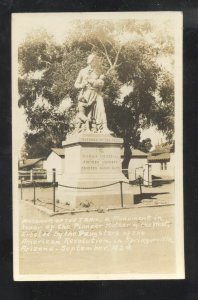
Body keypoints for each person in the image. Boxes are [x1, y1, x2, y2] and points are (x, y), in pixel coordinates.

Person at [74, 53, 112, 134]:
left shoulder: (98, 72)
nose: (95, 62)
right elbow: (76, 84)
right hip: (86, 94)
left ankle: (104, 128)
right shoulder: (83, 71)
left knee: (101, 108)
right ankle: (90, 128)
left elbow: (100, 84)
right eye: (94, 60)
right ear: (90, 61)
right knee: (87, 114)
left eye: (96, 60)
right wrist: (82, 85)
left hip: (97, 93)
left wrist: (100, 83)